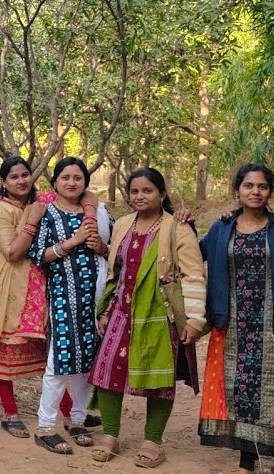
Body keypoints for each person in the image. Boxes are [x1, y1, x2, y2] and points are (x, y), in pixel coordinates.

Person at [89, 168, 205, 468]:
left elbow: (193, 275)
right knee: (107, 373)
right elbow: (117, 272)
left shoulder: (177, 228)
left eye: (148, 191)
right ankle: (110, 435)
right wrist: (105, 310)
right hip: (122, 311)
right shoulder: (123, 225)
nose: (140, 196)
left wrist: (194, 319)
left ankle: (153, 441)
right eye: (135, 191)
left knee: (160, 379)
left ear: (162, 194)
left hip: (160, 314)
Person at [198, 164, 274, 474]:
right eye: (248, 186)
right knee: (236, 386)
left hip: (272, 319)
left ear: (270, 191)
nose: (255, 191)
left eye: (262, 186)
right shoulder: (222, 227)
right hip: (232, 319)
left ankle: (256, 454)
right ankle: (247, 457)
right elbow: (196, 253)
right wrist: (183, 224)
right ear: (237, 190)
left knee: (267, 386)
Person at [26, 156, 108, 455]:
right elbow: (37, 254)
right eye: (65, 177)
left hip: (93, 298)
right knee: (59, 363)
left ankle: (76, 420)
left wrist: (101, 247)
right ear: (55, 182)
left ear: (85, 182)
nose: (71, 182)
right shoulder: (47, 213)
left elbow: (111, 250)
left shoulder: (98, 213)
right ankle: (45, 427)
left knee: (87, 363)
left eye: (77, 177)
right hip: (62, 297)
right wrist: (72, 242)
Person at [0, 156, 49, 438]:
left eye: (25, 175)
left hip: (38, 286)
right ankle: (10, 413)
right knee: (4, 350)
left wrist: (91, 212)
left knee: (48, 352)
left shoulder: (41, 201)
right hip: (6, 289)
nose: (21, 181)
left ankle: (70, 412)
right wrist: (31, 222)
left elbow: (86, 194)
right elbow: (12, 252)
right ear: (4, 182)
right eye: (14, 177)